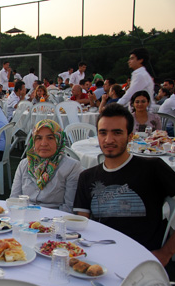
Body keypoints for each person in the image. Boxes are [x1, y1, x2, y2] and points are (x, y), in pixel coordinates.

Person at [73, 103, 175, 270]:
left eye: (117, 133)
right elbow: (83, 224)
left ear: (130, 136)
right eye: (103, 133)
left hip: (142, 260)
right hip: (101, 259)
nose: (109, 140)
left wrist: (166, 252)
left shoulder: (152, 168)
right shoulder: (87, 177)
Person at [11, 120, 82, 213]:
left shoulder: (71, 167)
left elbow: (69, 207)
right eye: (39, 138)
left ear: (59, 140)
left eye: (50, 138)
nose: (44, 143)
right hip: (24, 218)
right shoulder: (24, 165)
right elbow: (14, 200)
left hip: (54, 220)